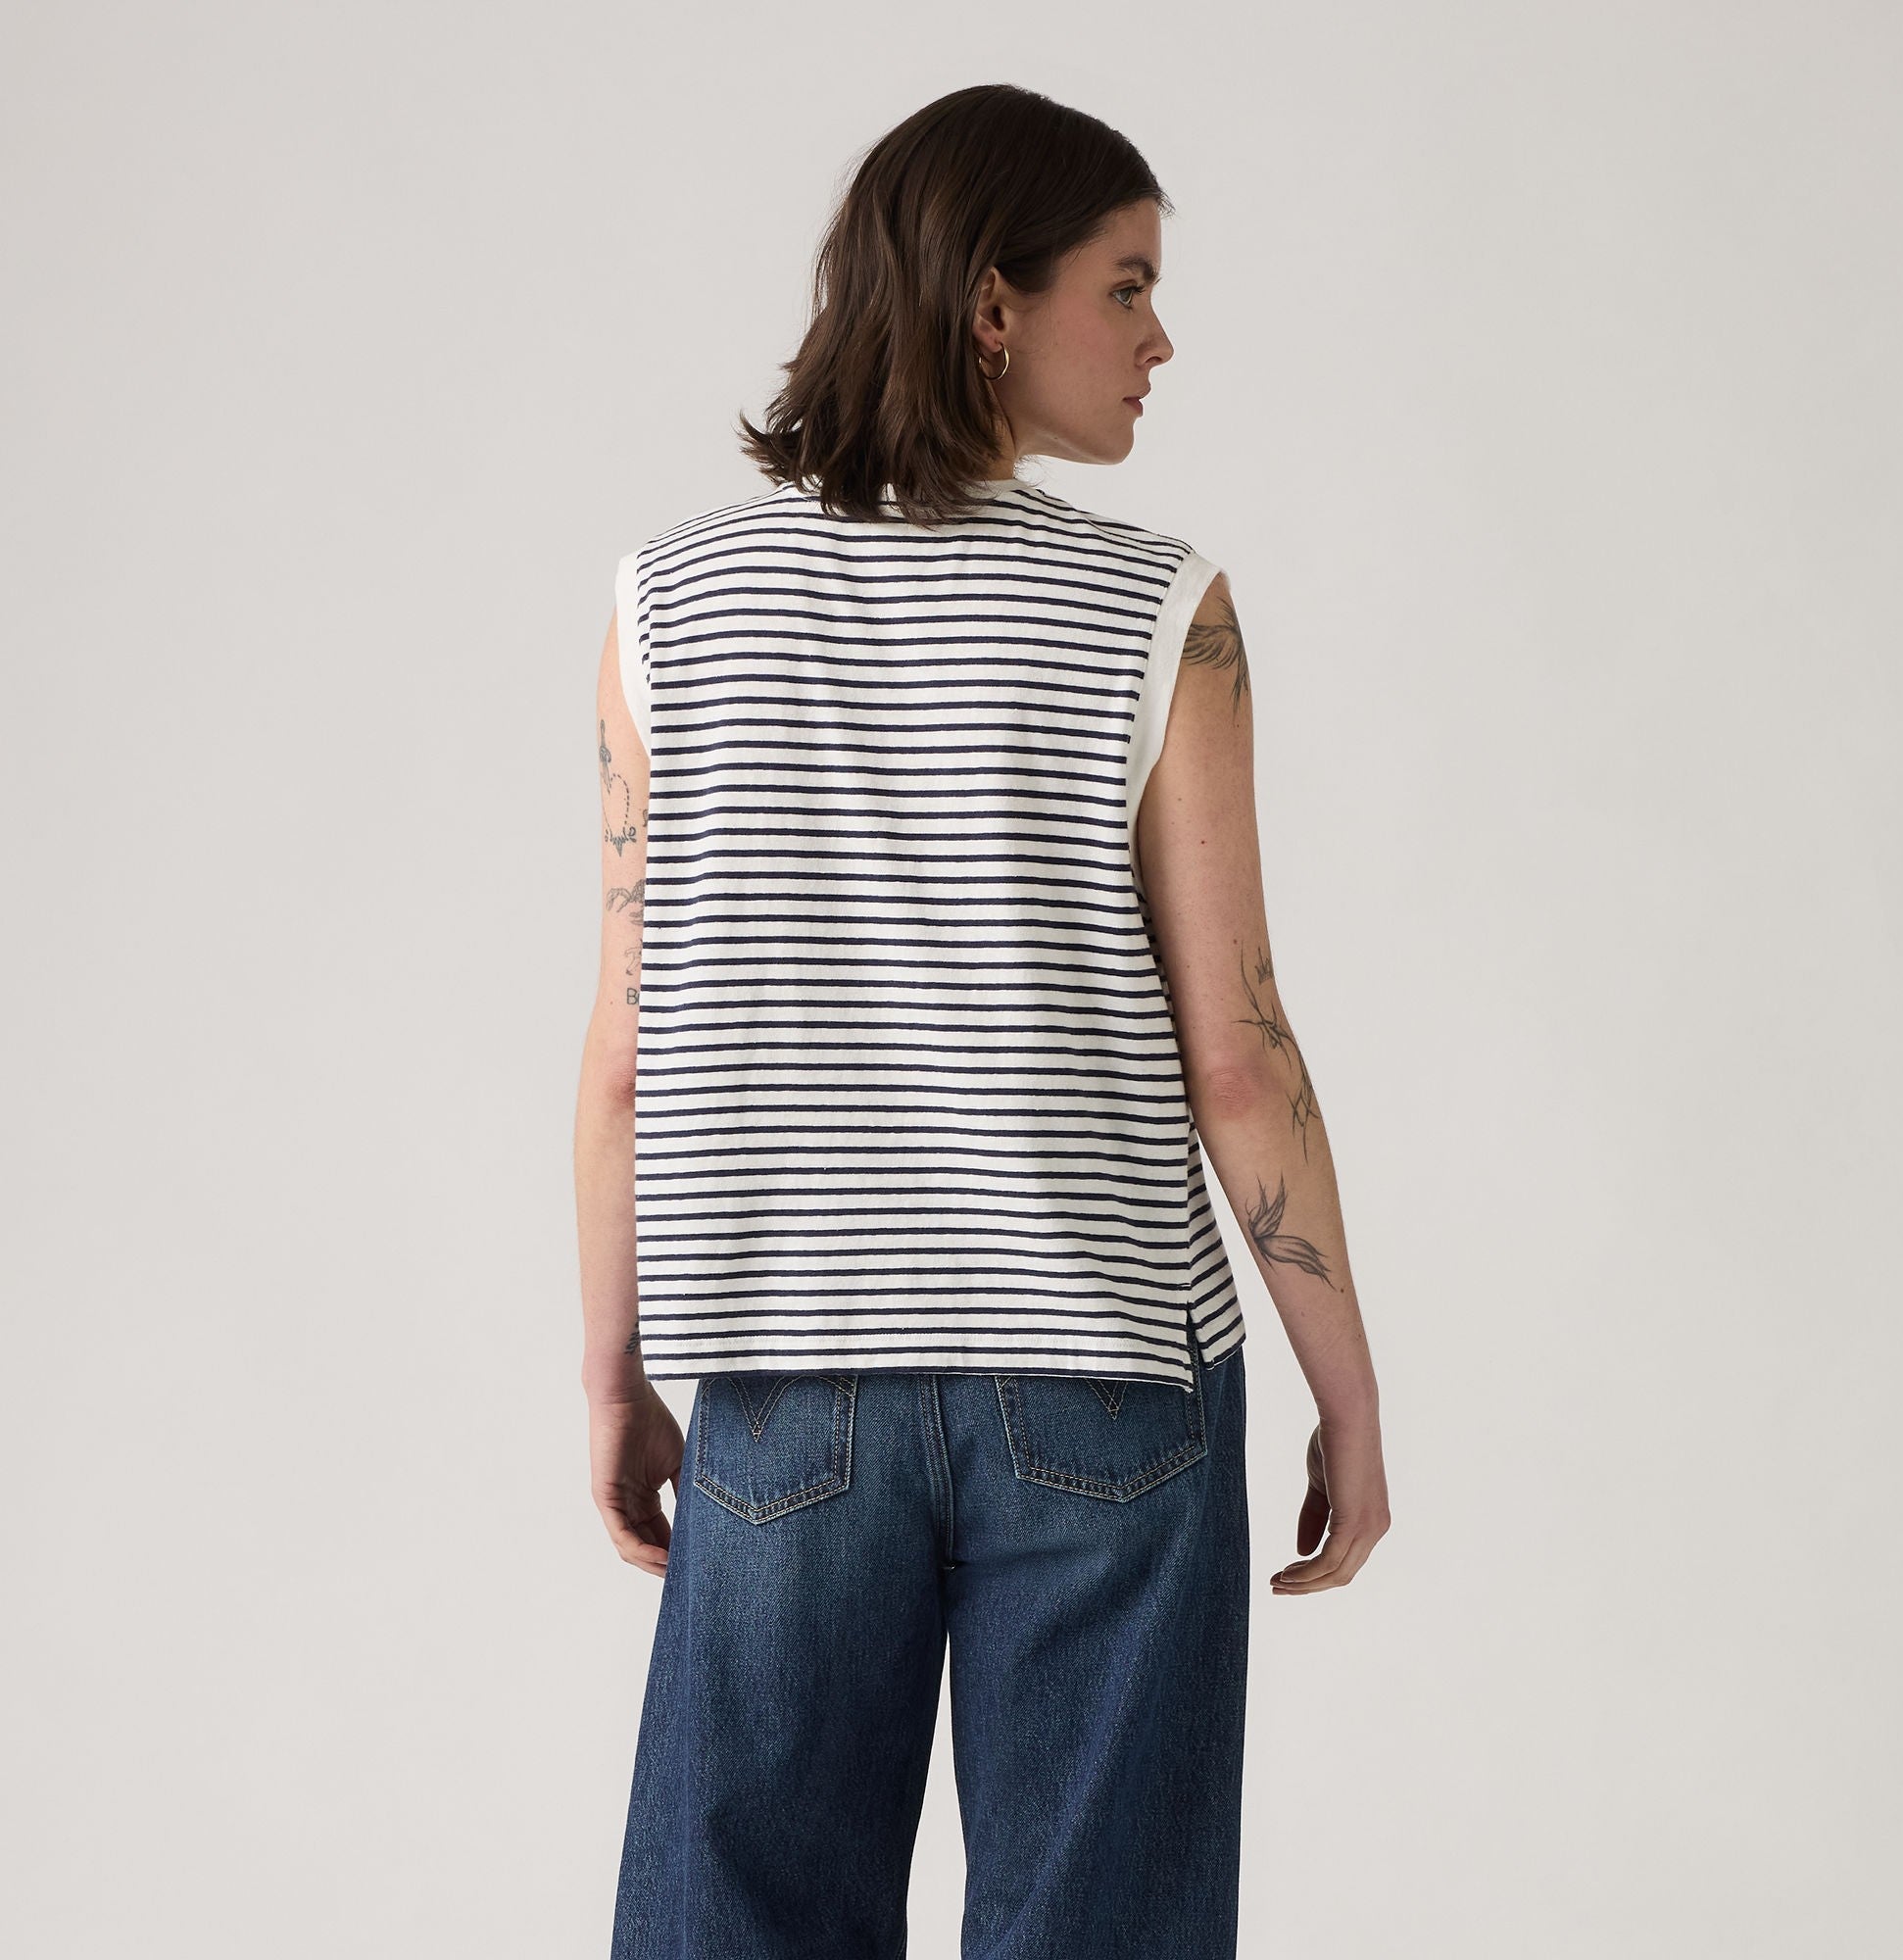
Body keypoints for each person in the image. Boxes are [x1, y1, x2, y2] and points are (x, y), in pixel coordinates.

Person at [571, 81, 1390, 1960]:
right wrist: (1347, 1389)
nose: (1162, 340)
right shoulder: (1160, 608)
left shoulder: (665, 606)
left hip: (786, 1386)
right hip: (1111, 1386)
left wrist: (618, 1372)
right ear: (993, 306)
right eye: (1130, 286)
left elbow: (626, 1048)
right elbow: (1240, 1054)